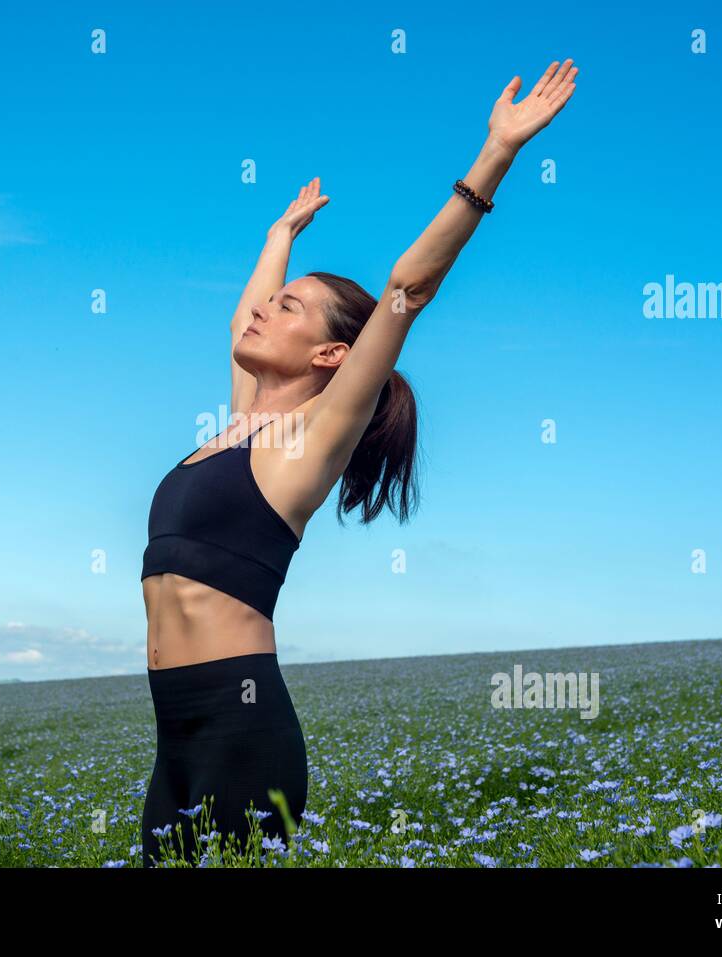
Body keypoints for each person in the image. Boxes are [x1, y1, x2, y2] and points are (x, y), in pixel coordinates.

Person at [139, 59, 579, 866]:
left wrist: (497, 153)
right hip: (173, 735)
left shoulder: (307, 443)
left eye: (292, 309)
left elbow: (407, 290)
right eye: (274, 301)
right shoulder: (236, 427)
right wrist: (279, 239)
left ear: (335, 354)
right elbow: (241, 318)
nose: (267, 311)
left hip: (242, 730)